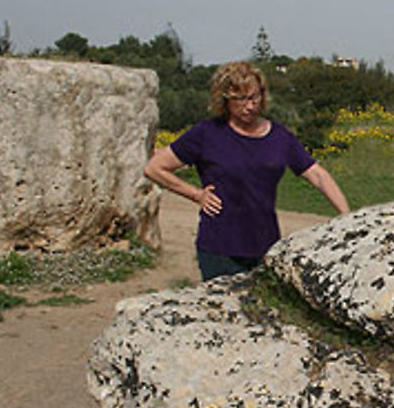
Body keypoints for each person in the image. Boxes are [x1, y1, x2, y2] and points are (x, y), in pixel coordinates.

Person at [145, 61, 349, 281]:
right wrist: (196, 194)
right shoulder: (207, 134)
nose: (250, 105)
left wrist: (348, 216)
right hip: (219, 249)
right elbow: (155, 168)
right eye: (241, 99)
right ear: (224, 100)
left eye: (255, 97)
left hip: (266, 248)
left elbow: (317, 175)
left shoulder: (280, 137)